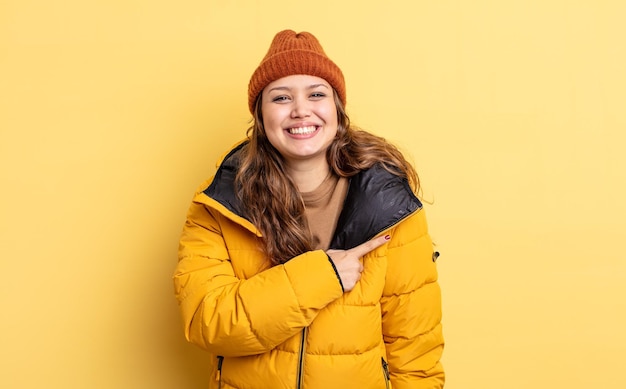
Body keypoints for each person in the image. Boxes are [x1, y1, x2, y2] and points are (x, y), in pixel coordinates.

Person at [173, 29, 445, 389]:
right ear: (260, 116)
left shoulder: (389, 205)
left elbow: (415, 345)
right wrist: (322, 276)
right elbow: (208, 322)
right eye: (281, 97)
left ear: (336, 108)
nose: (301, 110)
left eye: (317, 94)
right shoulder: (220, 206)